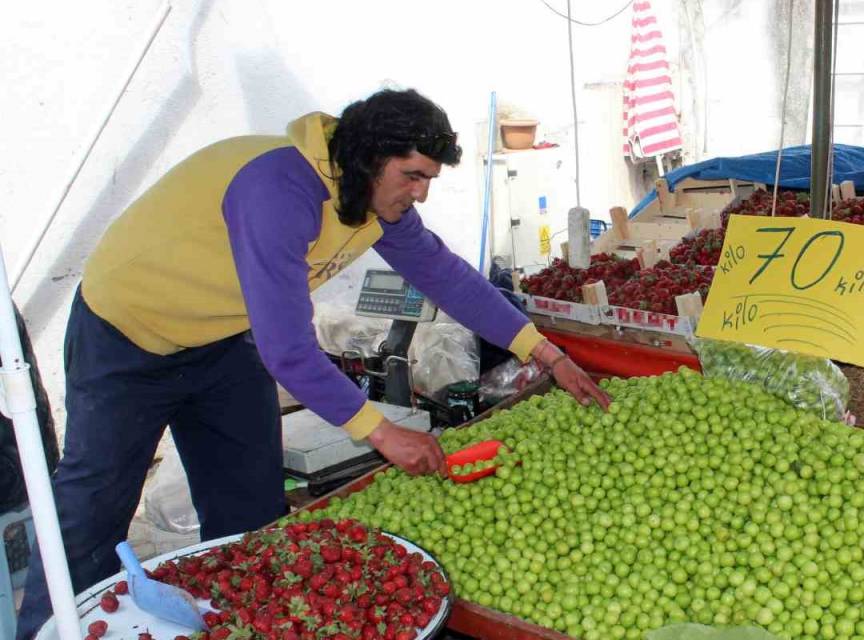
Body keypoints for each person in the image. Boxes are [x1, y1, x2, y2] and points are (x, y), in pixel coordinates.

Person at [16, 88, 610, 637]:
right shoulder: (277, 189)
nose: (421, 193)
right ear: (371, 157)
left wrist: (545, 352)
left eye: (429, 179)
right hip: (129, 332)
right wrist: (382, 433)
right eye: (413, 175)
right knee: (92, 506)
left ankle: (243, 623)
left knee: (252, 511)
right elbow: (288, 349)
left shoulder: (375, 201)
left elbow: (444, 274)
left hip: (223, 339)